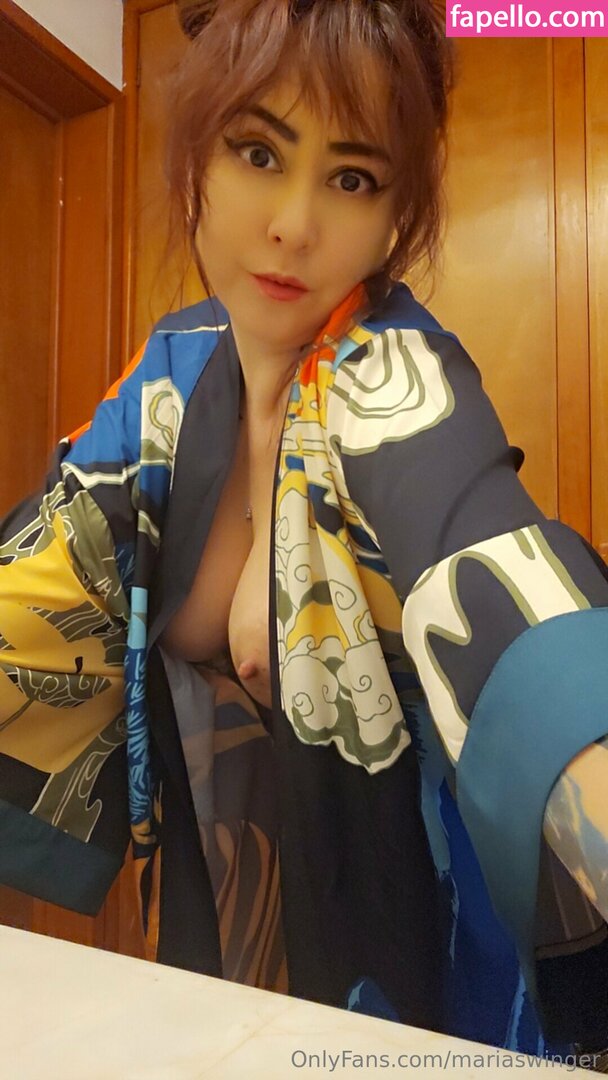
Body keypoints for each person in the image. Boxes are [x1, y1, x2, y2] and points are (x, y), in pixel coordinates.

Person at [0, 0, 607, 1064]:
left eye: (351, 177)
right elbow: (34, 592)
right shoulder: (166, 380)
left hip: (391, 926)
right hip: (213, 917)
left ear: (396, 212)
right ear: (197, 157)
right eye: (257, 153)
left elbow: (489, 574)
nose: (292, 224)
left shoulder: (397, 379)